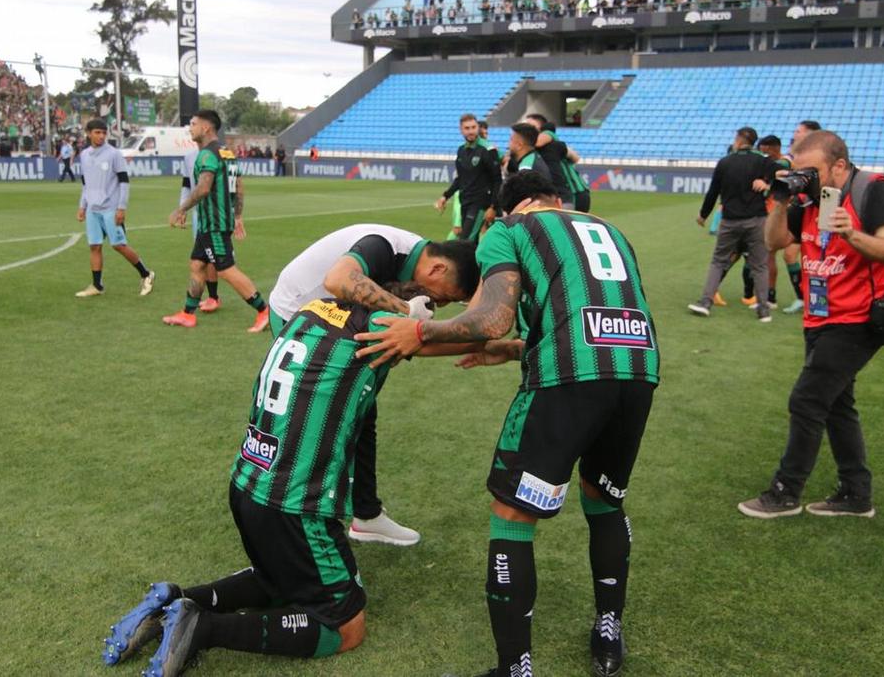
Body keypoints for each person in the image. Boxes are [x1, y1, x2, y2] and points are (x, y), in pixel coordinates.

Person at [355, 171, 659, 677]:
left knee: (512, 517)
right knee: (604, 499)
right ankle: (609, 631)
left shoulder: (509, 229)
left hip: (568, 377)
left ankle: (513, 669)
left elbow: (494, 317)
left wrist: (419, 330)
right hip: (638, 370)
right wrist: (518, 349)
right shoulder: (609, 228)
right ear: (557, 200)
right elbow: (593, 311)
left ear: (509, 209)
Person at [101, 292, 437, 676]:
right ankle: (202, 627)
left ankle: (174, 601)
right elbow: (445, 336)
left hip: (248, 482)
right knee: (344, 626)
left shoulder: (312, 311)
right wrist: (499, 342)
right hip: (295, 505)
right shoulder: (376, 328)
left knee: (282, 580)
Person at [266, 224, 480, 545]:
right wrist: (407, 311)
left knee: (362, 411)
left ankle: (365, 514)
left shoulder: (408, 261)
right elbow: (338, 280)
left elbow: (409, 342)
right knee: (315, 419)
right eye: (446, 297)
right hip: (298, 317)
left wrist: (487, 345)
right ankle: (289, 508)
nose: (440, 305)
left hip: (335, 320)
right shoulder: (385, 246)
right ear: (438, 268)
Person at [738, 131, 884, 520]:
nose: (804, 179)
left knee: (808, 400)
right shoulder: (807, 200)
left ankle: (785, 491)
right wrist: (781, 201)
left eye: (811, 172)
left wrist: (851, 233)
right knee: (837, 406)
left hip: (862, 317)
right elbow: (774, 241)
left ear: (840, 166)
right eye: (798, 172)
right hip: (821, 317)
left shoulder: (875, 191)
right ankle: (856, 493)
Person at [162, 110, 270, 332]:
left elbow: (203, 188)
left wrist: (180, 209)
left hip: (214, 224)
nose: (190, 128)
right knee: (197, 264)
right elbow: (238, 186)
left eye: (193, 124)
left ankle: (264, 310)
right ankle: (188, 313)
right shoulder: (226, 153)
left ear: (206, 128)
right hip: (210, 224)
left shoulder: (206, 155)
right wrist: (237, 215)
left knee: (225, 269)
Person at [688, 126, 774, 322]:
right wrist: (768, 184)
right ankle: (763, 310)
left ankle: (705, 302)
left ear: (739, 139)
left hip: (730, 220)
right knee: (759, 265)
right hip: (756, 220)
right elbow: (781, 175)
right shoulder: (763, 161)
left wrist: (703, 215)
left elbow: (713, 192)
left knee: (719, 261)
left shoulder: (725, 162)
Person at [74, 118, 155, 298]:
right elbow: (85, 184)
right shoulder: (85, 155)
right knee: (94, 246)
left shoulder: (114, 154)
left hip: (111, 207)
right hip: (92, 209)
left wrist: (121, 208)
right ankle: (97, 285)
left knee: (119, 245)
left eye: (104, 133)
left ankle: (146, 274)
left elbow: (124, 182)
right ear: (89, 134)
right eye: (97, 132)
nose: (101, 136)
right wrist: (82, 206)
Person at [758, 133, 805, 314]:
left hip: (793, 214)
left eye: (766, 153)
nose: (764, 157)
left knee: (790, 256)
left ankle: (803, 297)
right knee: (769, 253)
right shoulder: (772, 167)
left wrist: (767, 185)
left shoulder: (786, 163)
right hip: (775, 215)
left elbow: (783, 176)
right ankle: (771, 297)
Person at [436, 113, 501, 242]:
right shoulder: (461, 150)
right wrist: (445, 196)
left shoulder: (488, 149)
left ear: (478, 128)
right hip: (465, 200)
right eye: (467, 128)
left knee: (465, 240)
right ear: (461, 130)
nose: (471, 131)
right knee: (472, 242)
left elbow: (497, 180)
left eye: (473, 127)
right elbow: (460, 178)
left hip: (480, 203)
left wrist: (493, 207)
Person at [178, 141, 222, 313]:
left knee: (219, 262)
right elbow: (186, 184)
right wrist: (183, 208)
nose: (191, 130)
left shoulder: (219, 154)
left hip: (216, 215)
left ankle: (261, 308)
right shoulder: (189, 157)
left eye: (194, 125)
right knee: (200, 260)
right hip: (198, 214)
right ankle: (195, 307)